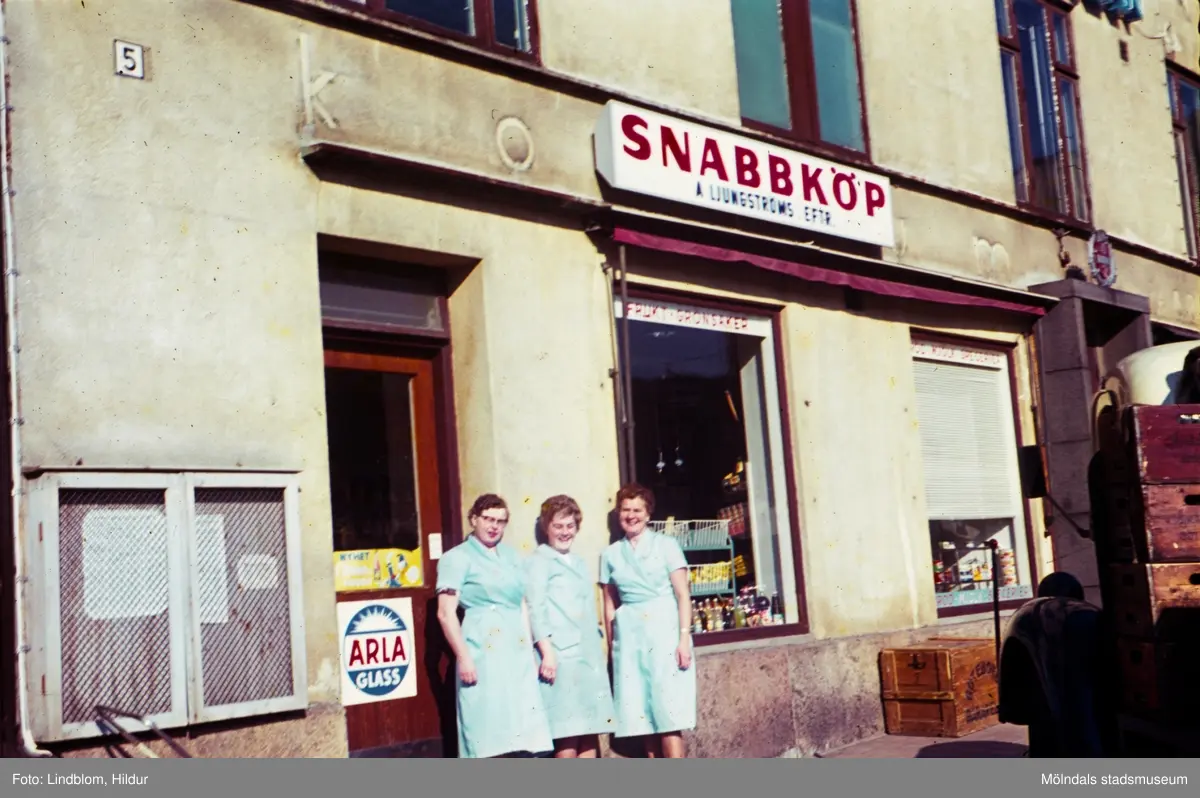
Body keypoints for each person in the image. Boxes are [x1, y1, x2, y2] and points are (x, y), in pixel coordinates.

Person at [436, 493, 553, 758]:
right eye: (488, 519)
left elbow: (521, 604)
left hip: (515, 649)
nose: (493, 526)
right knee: (487, 729)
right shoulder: (457, 558)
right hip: (481, 649)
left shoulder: (511, 556)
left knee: (523, 731)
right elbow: (445, 613)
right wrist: (463, 658)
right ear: (473, 519)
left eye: (500, 521)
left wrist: (529, 652)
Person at [600, 483, 697, 758]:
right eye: (625, 510)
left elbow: (682, 595)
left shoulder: (667, 545)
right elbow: (609, 606)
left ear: (648, 514)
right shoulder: (610, 555)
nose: (631, 515)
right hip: (630, 639)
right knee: (641, 718)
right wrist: (613, 650)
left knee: (669, 717)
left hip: (664, 632)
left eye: (637, 510)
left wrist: (683, 639)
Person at [525, 495, 616, 758]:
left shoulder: (576, 561)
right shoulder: (539, 561)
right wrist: (547, 653)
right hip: (561, 657)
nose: (565, 532)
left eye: (570, 526)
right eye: (558, 526)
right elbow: (535, 609)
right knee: (567, 731)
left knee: (589, 728)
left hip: (586, 656)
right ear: (546, 527)